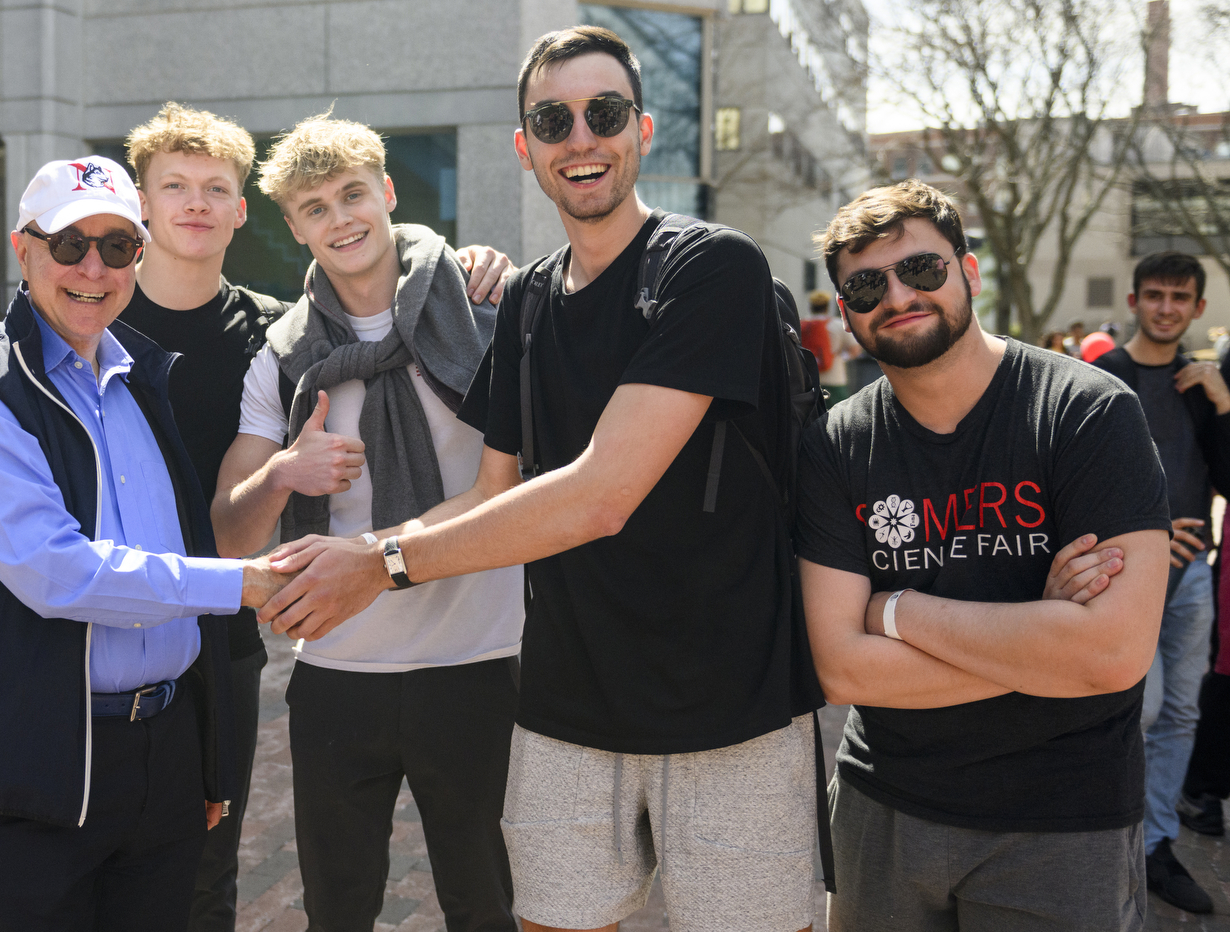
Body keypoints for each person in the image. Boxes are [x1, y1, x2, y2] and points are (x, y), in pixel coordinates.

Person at [253, 26, 824, 932]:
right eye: (553, 120)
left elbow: (600, 495)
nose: (580, 138)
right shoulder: (523, 301)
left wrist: (382, 563)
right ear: (525, 148)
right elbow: (491, 491)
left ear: (640, 129)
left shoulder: (712, 267)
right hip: (566, 706)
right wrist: (355, 552)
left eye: (605, 114)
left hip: (727, 702)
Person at [115, 103, 512, 932]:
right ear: (294, 228)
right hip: (338, 674)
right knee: (337, 911)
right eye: (316, 209)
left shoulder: (488, 316)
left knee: (489, 905)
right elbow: (229, 536)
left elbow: (531, 486)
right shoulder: (284, 352)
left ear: (389, 192)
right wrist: (283, 473)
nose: (341, 220)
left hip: (482, 660)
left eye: (353, 195)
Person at [0, 155, 295, 932]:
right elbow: (59, 574)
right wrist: (243, 583)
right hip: (34, 766)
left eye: (118, 247)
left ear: (138, 260)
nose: (92, 266)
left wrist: (204, 753)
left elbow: (175, 554)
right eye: (69, 242)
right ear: (23, 248)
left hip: (164, 756)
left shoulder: (141, 381)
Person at [797, 180, 1170, 931]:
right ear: (846, 314)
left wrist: (894, 610)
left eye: (923, 270)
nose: (898, 295)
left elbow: (1112, 655)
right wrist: (1042, 635)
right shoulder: (836, 443)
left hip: (1065, 819)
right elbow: (840, 668)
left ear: (969, 274)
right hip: (885, 809)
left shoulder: (1088, 413)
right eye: (867, 285)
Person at [1091, 251, 1230, 914]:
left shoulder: (1202, 386)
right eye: (1155, 295)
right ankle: (1115, 841)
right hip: (1124, 573)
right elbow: (1076, 485)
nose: (1167, 307)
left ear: (1198, 307)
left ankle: (1157, 847)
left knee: (1180, 712)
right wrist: (1145, 531)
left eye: (1180, 297)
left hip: (1193, 577)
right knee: (1138, 712)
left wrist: (1226, 404)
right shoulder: (1101, 378)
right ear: (1134, 299)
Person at [805, 289, 860, 405]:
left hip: (808, 381)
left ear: (811, 306)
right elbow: (855, 350)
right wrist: (840, 357)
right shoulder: (837, 324)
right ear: (827, 306)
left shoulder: (802, 325)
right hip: (835, 380)